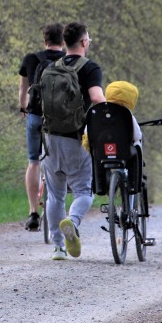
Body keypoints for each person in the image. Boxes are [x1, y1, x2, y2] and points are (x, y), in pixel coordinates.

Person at [43, 22, 106, 261]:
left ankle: (58, 248)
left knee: (55, 196)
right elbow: (96, 98)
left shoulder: (51, 67)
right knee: (83, 190)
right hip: (75, 139)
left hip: (49, 139)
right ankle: (74, 221)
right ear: (83, 42)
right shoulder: (90, 68)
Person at [18, 23, 66, 231]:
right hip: (61, 120)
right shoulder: (69, 60)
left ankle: (33, 213)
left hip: (36, 116)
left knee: (33, 161)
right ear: (63, 41)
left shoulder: (31, 59)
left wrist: (24, 110)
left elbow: (23, 91)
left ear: (44, 40)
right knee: (60, 161)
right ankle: (60, 209)